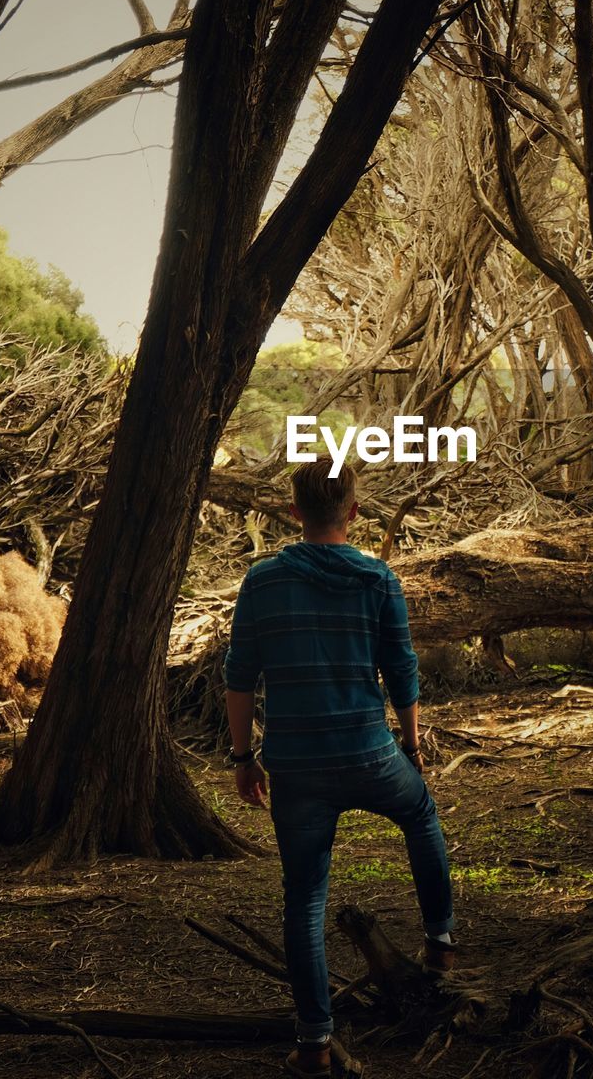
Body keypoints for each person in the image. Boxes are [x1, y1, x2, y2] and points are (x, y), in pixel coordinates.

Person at [224, 457, 455, 1079]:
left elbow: (239, 678)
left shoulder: (263, 581)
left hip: (295, 767)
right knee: (421, 814)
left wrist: (243, 758)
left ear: (294, 512)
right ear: (353, 511)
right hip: (370, 755)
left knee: (303, 899)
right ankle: (439, 948)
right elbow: (402, 669)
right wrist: (409, 744)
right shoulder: (378, 579)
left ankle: (314, 1046)